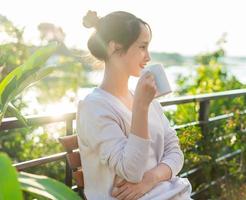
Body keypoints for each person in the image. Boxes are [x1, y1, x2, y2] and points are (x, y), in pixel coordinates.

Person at [77, 10, 193, 200]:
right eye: (142, 47)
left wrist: (151, 179)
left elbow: (175, 152)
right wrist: (141, 106)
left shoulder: (145, 100)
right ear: (115, 48)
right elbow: (130, 171)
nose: (148, 57)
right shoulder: (94, 107)